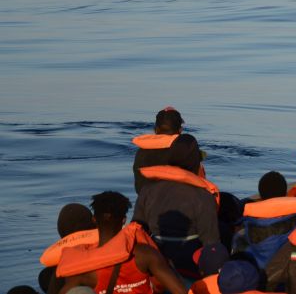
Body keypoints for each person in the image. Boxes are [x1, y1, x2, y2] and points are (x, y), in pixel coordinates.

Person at [54, 191, 185, 294]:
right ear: (123, 220)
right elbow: (180, 291)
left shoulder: (84, 266)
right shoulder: (145, 254)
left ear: (94, 220)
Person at [132, 134, 220, 279]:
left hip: (156, 260)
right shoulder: (203, 196)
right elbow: (211, 242)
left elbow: (137, 229)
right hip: (189, 264)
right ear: (195, 162)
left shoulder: (148, 189)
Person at [133, 107, 186, 192]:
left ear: (155, 130)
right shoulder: (187, 151)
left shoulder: (141, 152)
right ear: (180, 130)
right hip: (178, 201)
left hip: (147, 202)